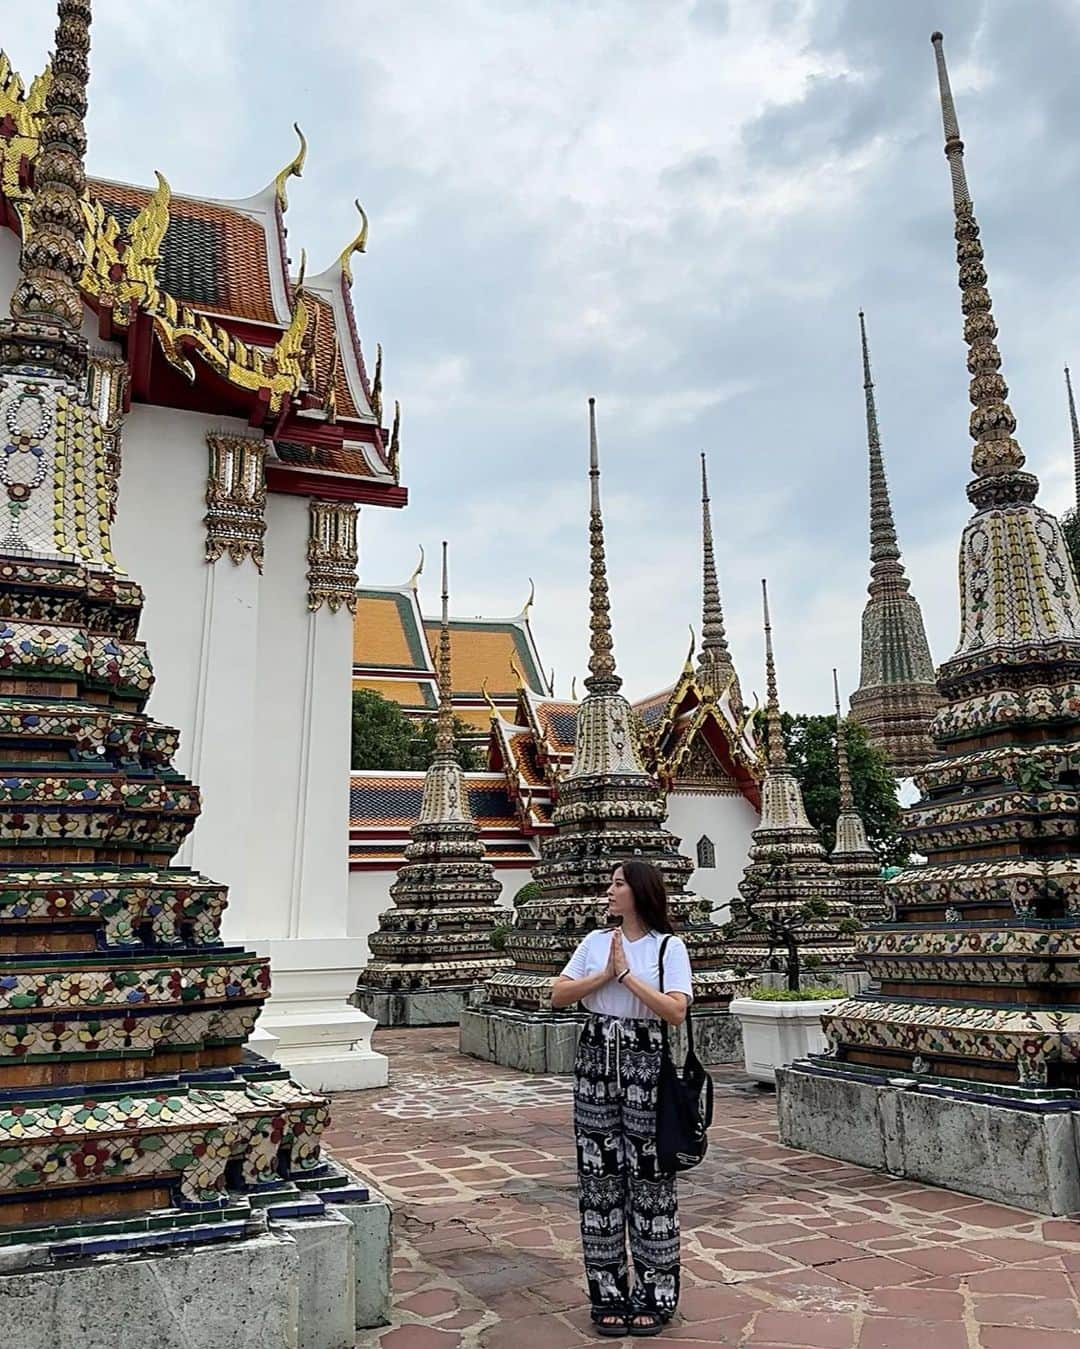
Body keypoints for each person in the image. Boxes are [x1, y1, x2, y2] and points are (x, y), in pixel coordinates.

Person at [552, 859, 693, 1338]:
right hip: (595, 1060)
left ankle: (655, 1293)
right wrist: (604, 976)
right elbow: (558, 994)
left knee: (652, 1181)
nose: (609, 892)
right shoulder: (594, 942)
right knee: (599, 1180)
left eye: (617, 884)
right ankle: (607, 1292)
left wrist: (628, 977)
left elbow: (675, 1011)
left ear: (639, 892)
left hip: (646, 1064)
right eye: (611, 884)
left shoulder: (668, 947)